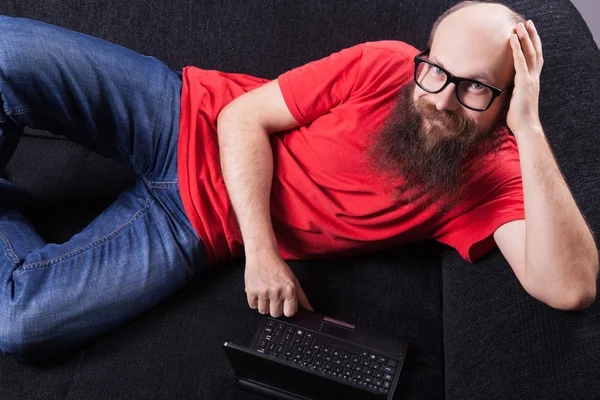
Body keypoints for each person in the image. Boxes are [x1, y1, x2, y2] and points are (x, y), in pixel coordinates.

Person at [0, 0, 597, 362]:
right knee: (8, 50)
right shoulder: (386, 63)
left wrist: (531, 130)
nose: (440, 99)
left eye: (474, 88)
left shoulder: (493, 178)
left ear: (508, 99)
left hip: (192, 225)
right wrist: (262, 251)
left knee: (20, 322)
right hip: (181, 114)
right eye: (436, 72)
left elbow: (570, 288)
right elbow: (242, 117)